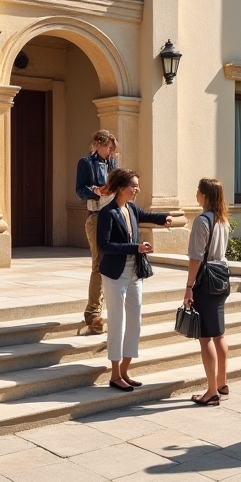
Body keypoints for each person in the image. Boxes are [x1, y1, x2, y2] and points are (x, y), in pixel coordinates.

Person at [97, 167, 172, 391]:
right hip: (115, 274)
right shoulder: (107, 213)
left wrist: (164, 218)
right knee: (117, 322)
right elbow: (105, 245)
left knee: (134, 322)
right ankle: (114, 374)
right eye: (134, 185)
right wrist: (136, 247)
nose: (137, 189)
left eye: (137, 185)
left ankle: (125, 371)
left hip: (134, 273)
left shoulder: (130, 208)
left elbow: (147, 215)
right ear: (121, 188)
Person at [183, 178, 231, 406]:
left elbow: (196, 257)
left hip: (205, 282)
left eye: (198, 190)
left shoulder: (202, 221)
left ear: (204, 194)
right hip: (222, 278)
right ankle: (222, 382)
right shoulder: (223, 221)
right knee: (219, 334)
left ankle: (212, 391)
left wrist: (189, 287)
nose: (196, 194)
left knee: (205, 338)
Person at [75, 130, 119, 334]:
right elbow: (79, 190)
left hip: (113, 216)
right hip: (96, 216)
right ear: (98, 144)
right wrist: (96, 190)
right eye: (109, 147)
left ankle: (108, 309)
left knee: (112, 263)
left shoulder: (112, 164)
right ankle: (93, 313)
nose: (111, 151)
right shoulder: (86, 163)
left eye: (113, 148)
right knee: (98, 265)